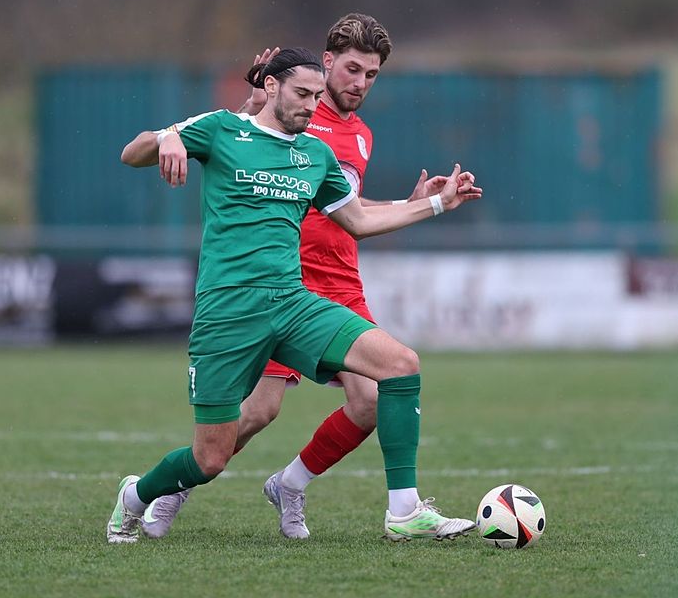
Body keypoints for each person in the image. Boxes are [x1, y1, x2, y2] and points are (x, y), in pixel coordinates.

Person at [108, 47, 483, 544]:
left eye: (315, 96)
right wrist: (169, 138)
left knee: (400, 364)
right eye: (302, 94)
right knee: (211, 457)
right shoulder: (222, 128)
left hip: (292, 302)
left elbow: (360, 221)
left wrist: (437, 203)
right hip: (228, 312)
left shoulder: (315, 154)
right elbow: (131, 153)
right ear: (271, 88)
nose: (311, 105)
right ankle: (136, 495)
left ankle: (404, 511)